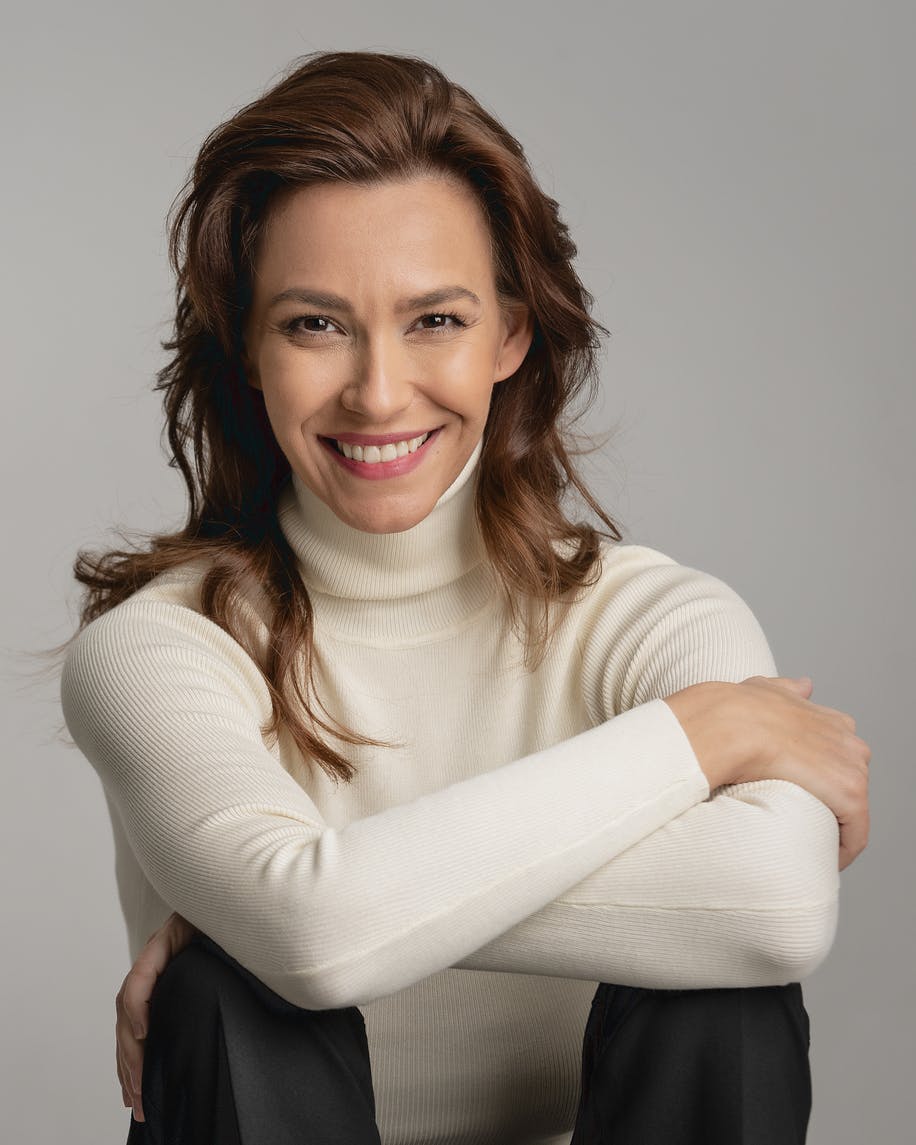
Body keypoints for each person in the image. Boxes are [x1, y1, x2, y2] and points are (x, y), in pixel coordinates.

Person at [57, 49, 870, 1145]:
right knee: (235, 994)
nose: (378, 390)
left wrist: (311, 899)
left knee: (725, 997)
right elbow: (308, 939)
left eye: (434, 319)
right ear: (247, 348)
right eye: (314, 324)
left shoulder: (652, 620)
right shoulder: (159, 649)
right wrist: (692, 737)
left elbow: (776, 909)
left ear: (512, 332)